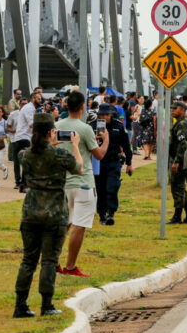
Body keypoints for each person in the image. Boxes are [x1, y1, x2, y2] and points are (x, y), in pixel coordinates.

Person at [15, 112, 83, 318]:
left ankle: (20, 304)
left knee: (28, 260)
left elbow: (33, 154)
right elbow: (78, 168)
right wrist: (75, 146)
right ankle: (46, 304)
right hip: (54, 212)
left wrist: (49, 144)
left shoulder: (24, 155)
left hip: (31, 211)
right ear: (51, 132)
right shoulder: (59, 155)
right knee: (49, 260)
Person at [57, 89, 107, 276]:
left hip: (63, 182)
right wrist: (106, 140)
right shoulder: (85, 129)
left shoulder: (56, 126)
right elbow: (98, 155)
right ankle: (70, 266)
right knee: (79, 224)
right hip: (83, 181)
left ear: (66, 105)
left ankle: (53, 262)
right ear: (83, 107)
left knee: (64, 223)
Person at [94, 103, 132, 226]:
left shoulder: (118, 126)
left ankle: (110, 213)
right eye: (102, 114)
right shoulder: (93, 125)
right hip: (98, 162)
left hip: (113, 161)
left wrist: (129, 163)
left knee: (112, 186)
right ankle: (102, 214)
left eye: (107, 114)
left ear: (111, 114)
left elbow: (126, 146)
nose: (104, 117)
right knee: (100, 189)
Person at [167, 100, 187, 224]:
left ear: (182, 110)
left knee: (177, 187)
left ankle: (177, 216)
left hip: (180, 159)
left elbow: (183, 144)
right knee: (181, 188)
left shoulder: (182, 124)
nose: (172, 110)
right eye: (172, 108)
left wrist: (177, 161)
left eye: (175, 108)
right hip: (181, 158)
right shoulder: (182, 122)